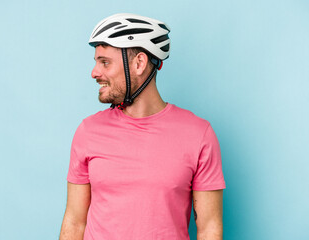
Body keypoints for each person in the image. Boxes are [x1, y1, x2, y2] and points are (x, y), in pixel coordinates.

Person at [59, 13, 226, 240]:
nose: (94, 72)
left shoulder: (199, 135)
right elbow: (75, 221)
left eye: (105, 62)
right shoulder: (88, 132)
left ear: (139, 63)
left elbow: (209, 229)